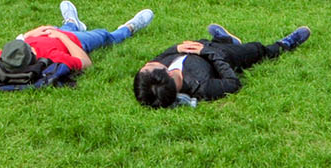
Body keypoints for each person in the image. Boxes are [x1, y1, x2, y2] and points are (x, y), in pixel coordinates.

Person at [0, 2, 155, 90]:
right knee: (104, 35)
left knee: (66, 27)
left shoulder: (0, 59)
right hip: (74, 40)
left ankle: (72, 21)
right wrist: (62, 37)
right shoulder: (52, 57)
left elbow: (14, 46)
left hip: (50, 33)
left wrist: (30, 34)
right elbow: (85, 62)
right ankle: (130, 27)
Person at [132, 23, 311, 107]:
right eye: (149, 66)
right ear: (169, 75)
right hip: (222, 56)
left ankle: (224, 39)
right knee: (257, 49)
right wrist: (207, 53)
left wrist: (176, 48)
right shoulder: (201, 86)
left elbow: (160, 56)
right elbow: (233, 83)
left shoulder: (156, 78)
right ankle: (285, 44)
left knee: (217, 41)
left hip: (206, 45)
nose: (149, 62)